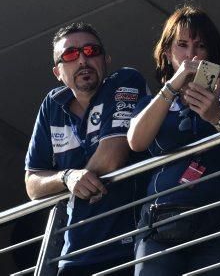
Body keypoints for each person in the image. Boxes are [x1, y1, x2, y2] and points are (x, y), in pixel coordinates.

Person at [126, 4, 220, 275]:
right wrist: (173, 86)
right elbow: (136, 142)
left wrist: (217, 117)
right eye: (182, 45)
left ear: (211, 52)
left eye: (200, 46)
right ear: (167, 52)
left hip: (219, 219)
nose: (191, 55)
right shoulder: (153, 102)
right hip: (161, 223)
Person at [25, 22, 147, 276]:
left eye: (91, 51)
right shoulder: (52, 106)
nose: (82, 59)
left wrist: (75, 178)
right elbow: (32, 183)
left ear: (106, 59)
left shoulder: (126, 80)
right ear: (57, 72)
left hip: (130, 244)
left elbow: (112, 155)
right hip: (74, 254)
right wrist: (67, 177)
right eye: (70, 54)